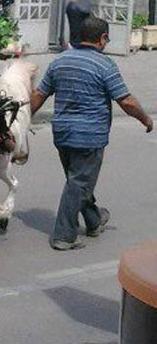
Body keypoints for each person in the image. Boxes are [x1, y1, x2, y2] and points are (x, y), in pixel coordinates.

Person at [30, 15, 153, 251]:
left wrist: (23, 120)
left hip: (63, 134)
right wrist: (145, 119)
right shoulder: (104, 65)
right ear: (103, 38)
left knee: (77, 179)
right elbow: (126, 101)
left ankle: (94, 220)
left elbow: (39, 95)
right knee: (78, 182)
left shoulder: (60, 61)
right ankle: (64, 235)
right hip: (89, 135)